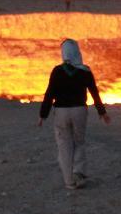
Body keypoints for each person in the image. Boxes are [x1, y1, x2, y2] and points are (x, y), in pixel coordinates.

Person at [37, 38, 111, 189]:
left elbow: (50, 93)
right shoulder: (85, 71)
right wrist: (102, 112)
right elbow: (94, 93)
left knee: (64, 144)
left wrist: (43, 115)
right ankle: (79, 172)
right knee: (79, 141)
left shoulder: (57, 71)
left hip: (61, 112)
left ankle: (69, 181)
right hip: (79, 111)